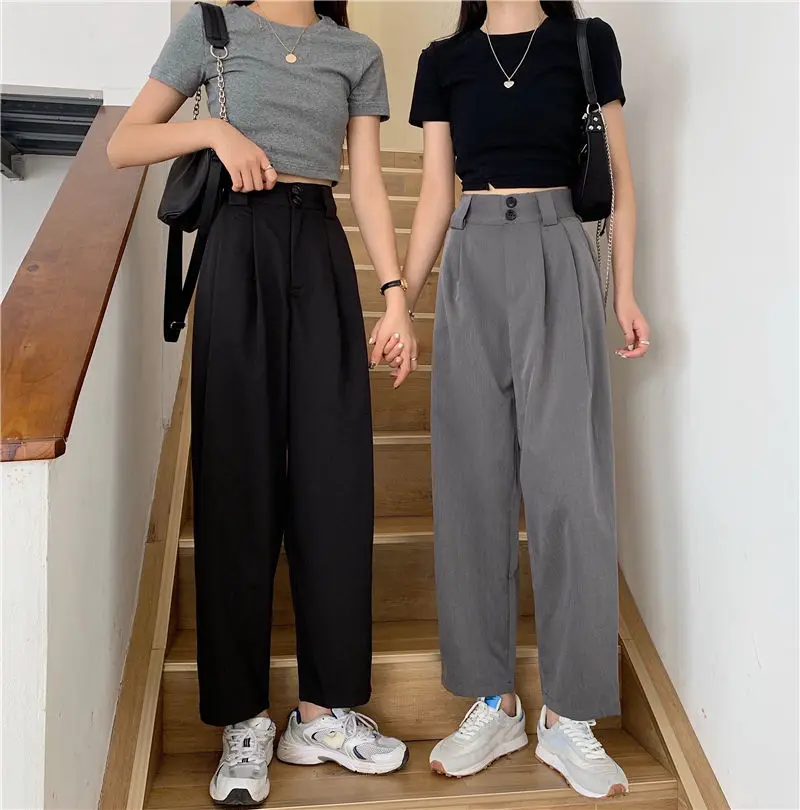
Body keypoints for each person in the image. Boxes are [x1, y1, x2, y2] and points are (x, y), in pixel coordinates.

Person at [108, 0, 417, 804]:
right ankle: (242, 720)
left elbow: (368, 182)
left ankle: (323, 711)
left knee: (335, 482)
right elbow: (124, 142)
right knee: (236, 483)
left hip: (320, 246)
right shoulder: (210, 30)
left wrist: (394, 296)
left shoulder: (356, 51)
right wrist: (214, 131)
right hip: (236, 244)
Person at [399, 0, 650, 799]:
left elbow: (620, 178)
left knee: (572, 489)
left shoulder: (586, 42)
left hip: (558, 249)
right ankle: (492, 700)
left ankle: (570, 714)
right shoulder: (443, 61)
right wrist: (402, 298)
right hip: (471, 257)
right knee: (471, 486)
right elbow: (434, 191)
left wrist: (625, 292)